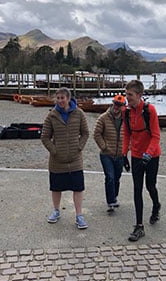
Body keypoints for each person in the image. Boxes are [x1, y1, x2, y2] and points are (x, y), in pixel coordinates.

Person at [41, 88, 89, 229]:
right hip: (57, 160)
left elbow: (85, 133)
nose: (60, 101)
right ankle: (56, 211)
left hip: (75, 160)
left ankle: (79, 215)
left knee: (78, 188)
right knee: (56, 187)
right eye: (58, 98)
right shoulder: (52, 116)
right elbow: (44, 137)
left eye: (62, 98)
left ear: (68, 98)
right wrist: (54, 150)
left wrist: (79, 147)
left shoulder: (79, 113)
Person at [122, 79, 161, 242]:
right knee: (137, 189)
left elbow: (156, 136)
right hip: (137, 156)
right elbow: (127, 134)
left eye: (129, 95)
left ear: (139, 95)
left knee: (150, 186)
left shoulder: (149, 110)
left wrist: (148, 153)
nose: (127, 98)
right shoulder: (126, 112)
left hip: (152, 156)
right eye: (126, 95)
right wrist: (124, 154)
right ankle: (139, 226)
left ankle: (156, 205)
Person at [93, 94, 127, 212]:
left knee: (117, 178)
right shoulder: (103, 118)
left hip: (120, 155)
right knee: (110, 177)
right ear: (112, 103)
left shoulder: (126, 119)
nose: (116, 107)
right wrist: (104, 147)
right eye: (115, 104)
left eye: (119, 105)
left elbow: (132, 134)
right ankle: (111, 201)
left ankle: (114, 197)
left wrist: (127, 148)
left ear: (123, 106)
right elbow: (96, 134)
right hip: (106, 154)